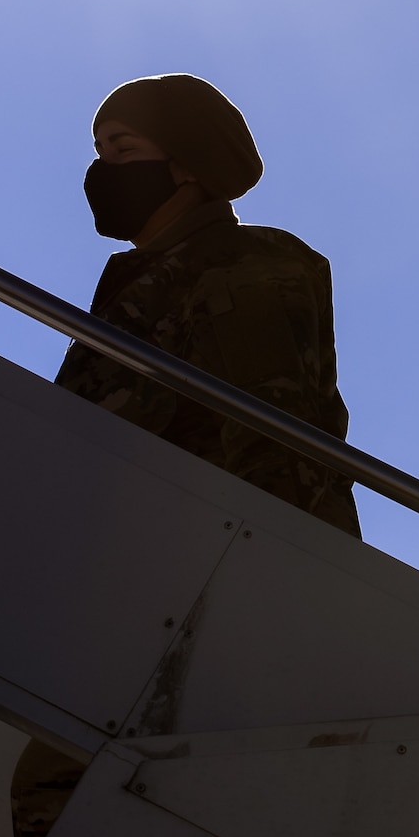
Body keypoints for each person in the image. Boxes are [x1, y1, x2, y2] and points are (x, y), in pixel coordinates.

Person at [55, 73, 360, 536]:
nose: (103, 170)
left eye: (125, 149)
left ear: (188, 165)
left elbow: (275, 444)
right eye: (100, 154)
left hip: (205, 564)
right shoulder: (150, 280)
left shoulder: (245, 266)